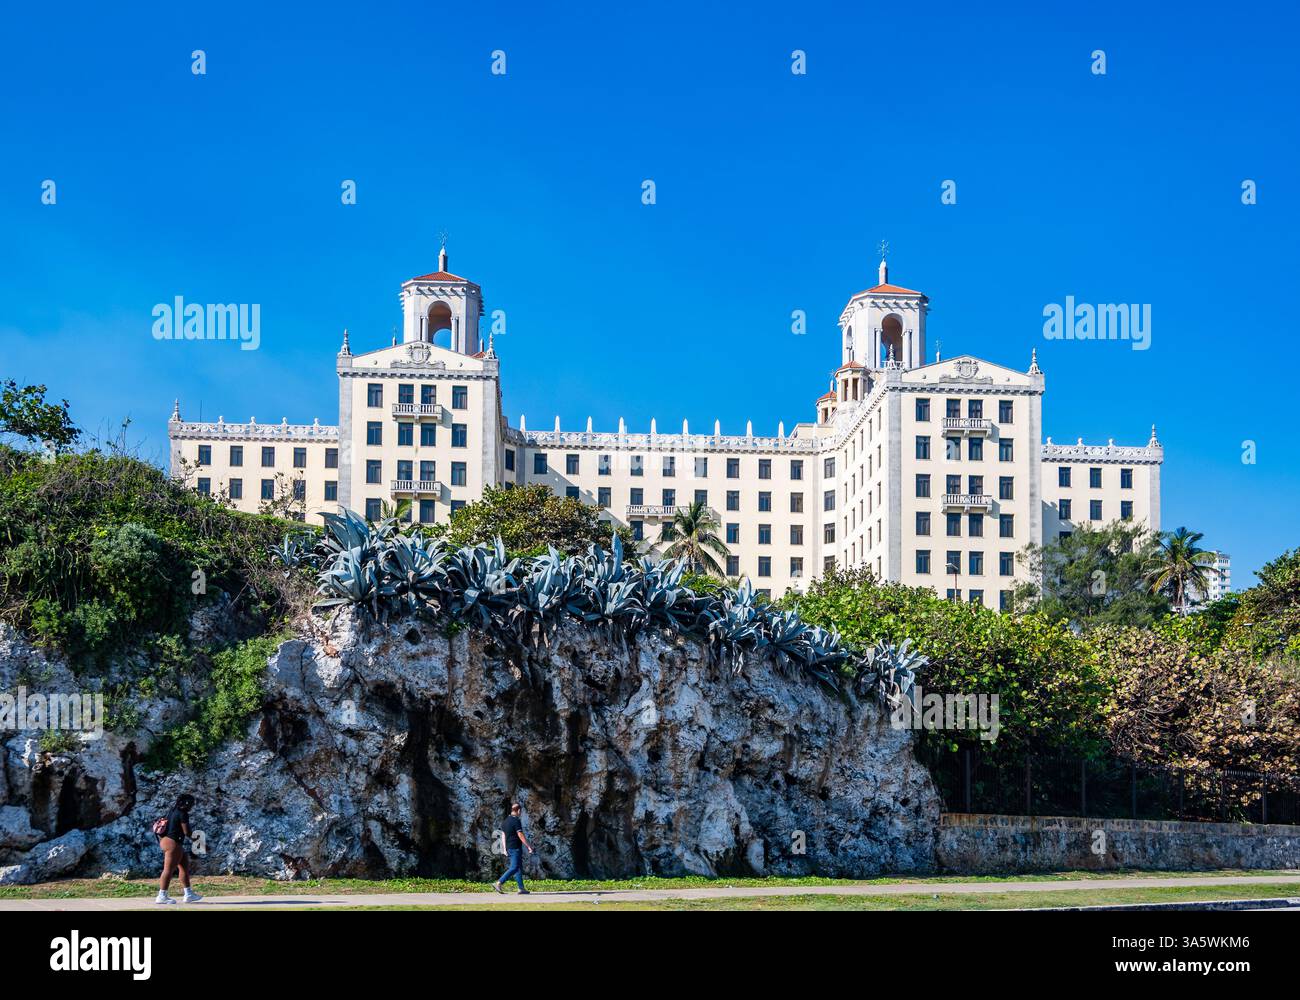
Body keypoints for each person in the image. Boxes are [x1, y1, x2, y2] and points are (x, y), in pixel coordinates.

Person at [155, 794, 202, 904]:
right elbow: (187, 832)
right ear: (186, 803)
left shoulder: (172, 811)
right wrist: (201, 843)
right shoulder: (183, 814)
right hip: (173, 843)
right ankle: (161, 896)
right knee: (168, 870)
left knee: (184, 867)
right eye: (191, 803)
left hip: (168, 841)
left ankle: (188, 894)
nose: (192, 806)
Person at [493, 802, 533, 894]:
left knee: (518, 867)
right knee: (514, 867)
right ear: (518, 810)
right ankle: (499, 882)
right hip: (515, 848)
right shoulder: (516, 821)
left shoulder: (505, 821)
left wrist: (504, 848)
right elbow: (520, 834)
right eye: (520, 811)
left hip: (509, 848)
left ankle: (521, 888)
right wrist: (528, 846)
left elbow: (503, 835)